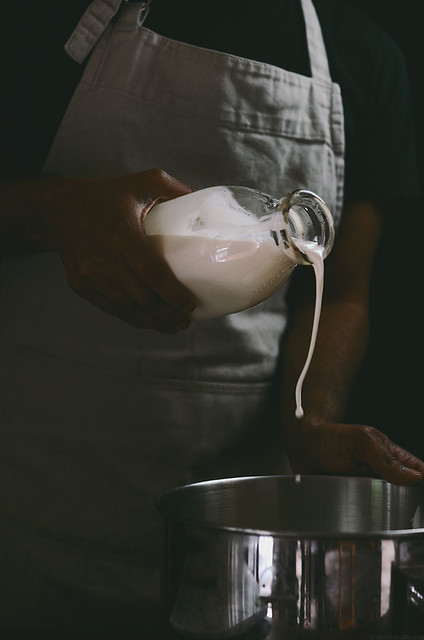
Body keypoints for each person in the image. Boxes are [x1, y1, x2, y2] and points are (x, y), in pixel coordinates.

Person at [0, 0, 422, 636]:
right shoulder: (44, 17)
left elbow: (339, 293)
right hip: (37, 511)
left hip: (237, 544)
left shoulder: (361, 59)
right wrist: (53, 210)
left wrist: (313, 421)